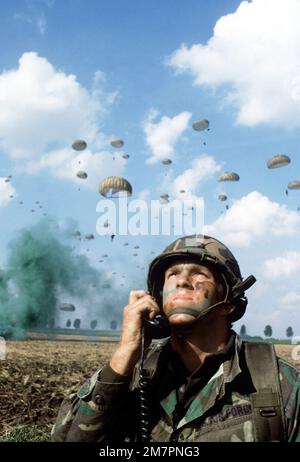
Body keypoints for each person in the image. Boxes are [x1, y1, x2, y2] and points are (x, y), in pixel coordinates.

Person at [51, 234, 300, 442]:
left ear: (229, 302)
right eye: (172, 275)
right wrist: (124, 355)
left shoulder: (280, 384)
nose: (182, 280)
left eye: (199, 273)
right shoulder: (132, 374)